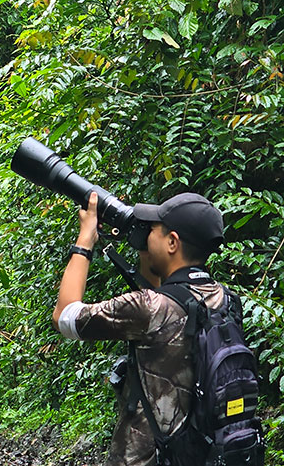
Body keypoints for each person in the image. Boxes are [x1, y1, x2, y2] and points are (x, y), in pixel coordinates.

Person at [52, 191, 227, 466]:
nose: (148, 235)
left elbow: (64, 316)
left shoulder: (148, 308)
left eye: (153, 230)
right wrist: (145, 249)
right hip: (197, 454)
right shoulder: (225, 300)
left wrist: (85, 239)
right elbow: (166, 302)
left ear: (172, 242)